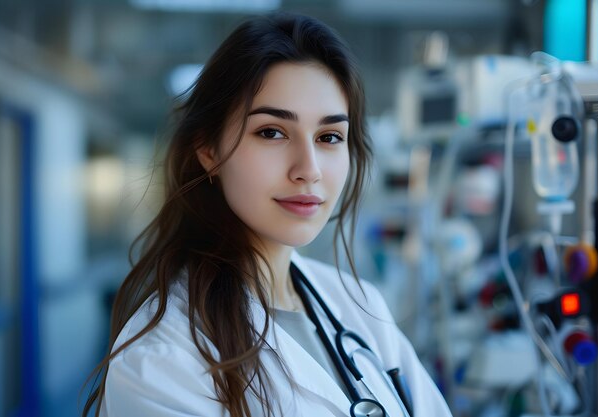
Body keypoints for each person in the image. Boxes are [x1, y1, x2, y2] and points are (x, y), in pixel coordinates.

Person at [83, 12, 452, 417]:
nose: (308, 168)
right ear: (208, 150)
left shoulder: (359, 305)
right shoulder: (160, 364)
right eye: (272, 132)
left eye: (329, 137)